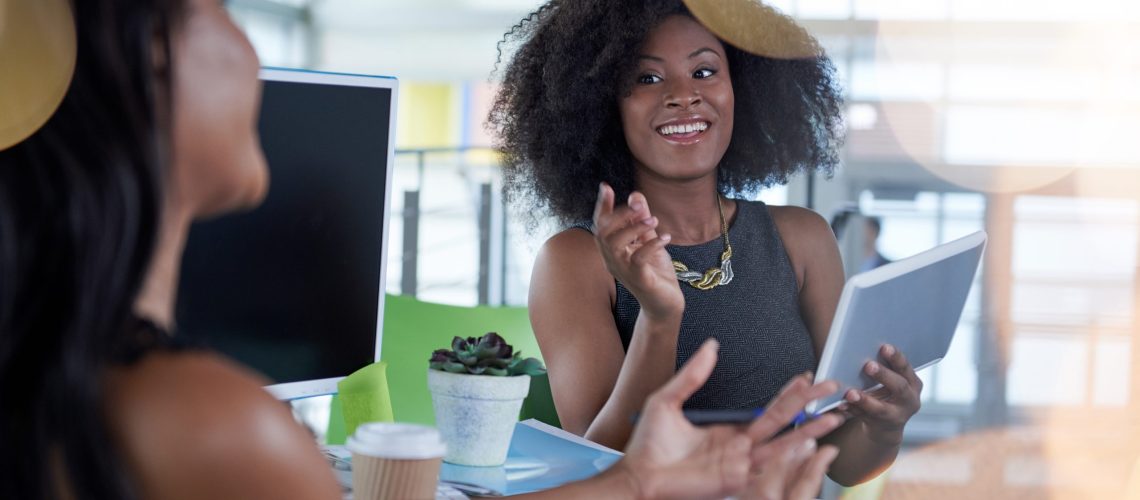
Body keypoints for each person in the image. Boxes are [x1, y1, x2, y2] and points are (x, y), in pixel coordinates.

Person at [0, 0, 845, 498]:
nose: (250, 46)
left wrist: (632, 483)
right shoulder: (209, 423)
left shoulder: (74, 382)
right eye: (213, 7)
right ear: (148, 69)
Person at [491, 0, 924, 486]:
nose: (683, 96)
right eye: (648, 79)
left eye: (704, 71)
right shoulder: (575, 261)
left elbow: (844, 463)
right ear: (605, 105)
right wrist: (660, 318)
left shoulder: (802, 239)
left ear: (742, 88)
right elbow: (601, 470)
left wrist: (885, 426)